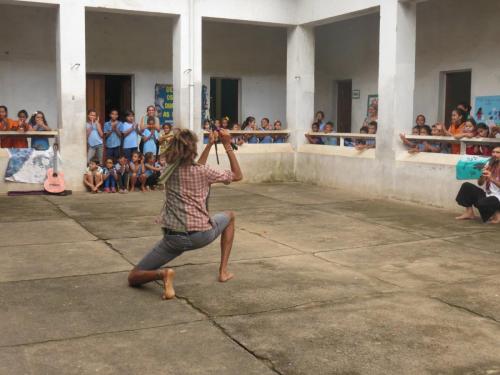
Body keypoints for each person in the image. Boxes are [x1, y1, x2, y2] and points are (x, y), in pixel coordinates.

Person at [127, 128, 243, 300]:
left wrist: (210, 144)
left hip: (173, 239)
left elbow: (195, 164)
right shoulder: (204, 172)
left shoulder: (167, 168)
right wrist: (227, 145)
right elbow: (237, 175)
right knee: (230, 216)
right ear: (193, 150)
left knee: (134, 276)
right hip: (200, 235)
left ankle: (164, 274)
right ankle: (223, 271)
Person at [455, 146, 500, 224]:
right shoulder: (490, 165)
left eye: (498, 152)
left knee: (482, 203)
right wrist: (483, 175)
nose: (494, 154)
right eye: (493, 152)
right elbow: (480, 183)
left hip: (498, 197)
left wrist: (492, 178)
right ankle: (469, 213)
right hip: (488, 194)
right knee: (466, 186)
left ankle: (497, 215)